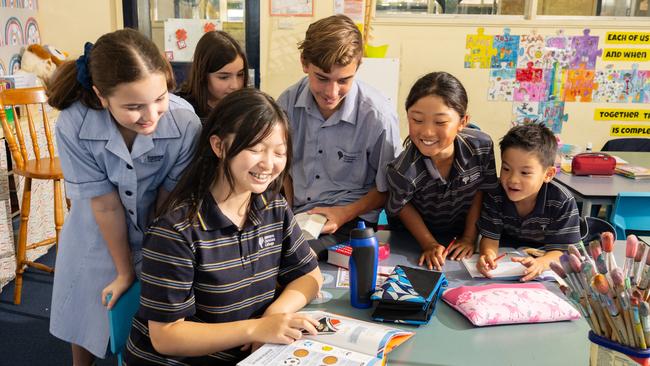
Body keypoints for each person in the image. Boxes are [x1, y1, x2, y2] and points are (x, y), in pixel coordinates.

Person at [125, 88, 323, 365]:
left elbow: (310, 276)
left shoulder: (273, 207)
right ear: (218, 146)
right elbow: (166, 336)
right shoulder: (176, 230)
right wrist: (255, 329)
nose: (268, 163)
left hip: (249, 353)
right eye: (255, 149)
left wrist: (274, 316)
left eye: (279, 152)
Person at [47, 29, 201, 365]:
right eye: (133, 107)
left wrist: (155, 253)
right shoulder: (73, 123)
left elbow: (169, 199)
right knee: (85, 315)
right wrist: (124, 270)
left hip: (157, 224)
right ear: (101, 96)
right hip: (95, 230)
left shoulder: (185, 122)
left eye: (159, 98)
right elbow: (104, 203)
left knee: (147, 323)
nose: (150, 115)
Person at [277, 14, 401, 260]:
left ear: (358, 67)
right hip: (297, 215)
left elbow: (387, 189)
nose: (331, 92)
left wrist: (343, 213)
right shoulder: (286, 104)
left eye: (343, 80)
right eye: (321, 78)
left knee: (294, 259)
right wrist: (287, 214)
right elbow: (283, 171)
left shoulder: (378, 116)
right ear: (304, 63)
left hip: (352, 220)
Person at [386, 72, 498, 271]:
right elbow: (403, 207)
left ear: (463, 122)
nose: (427, 132)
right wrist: (428, 243)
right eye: (417, 120)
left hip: (462, 237)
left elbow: (482, 190)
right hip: (411, 241)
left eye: (440, 122)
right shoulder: (402, 170)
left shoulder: (481, 147)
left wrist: (469, 237)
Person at [476, 123, 581, 281]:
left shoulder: (561, 201)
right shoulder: (495, 194)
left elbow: (562, 251)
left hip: (545, 256)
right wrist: (488, 256)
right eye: (506, 169)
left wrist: (541, 263)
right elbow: (490, 238)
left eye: (525, 172)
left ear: (548, 174)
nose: (512, 179)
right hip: (508, 257)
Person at [177, 30, 248, 121]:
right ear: (202, 74)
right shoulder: (182, 109)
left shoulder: (248, 106)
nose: (235, 85)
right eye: (224, 77)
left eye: (240, 74)